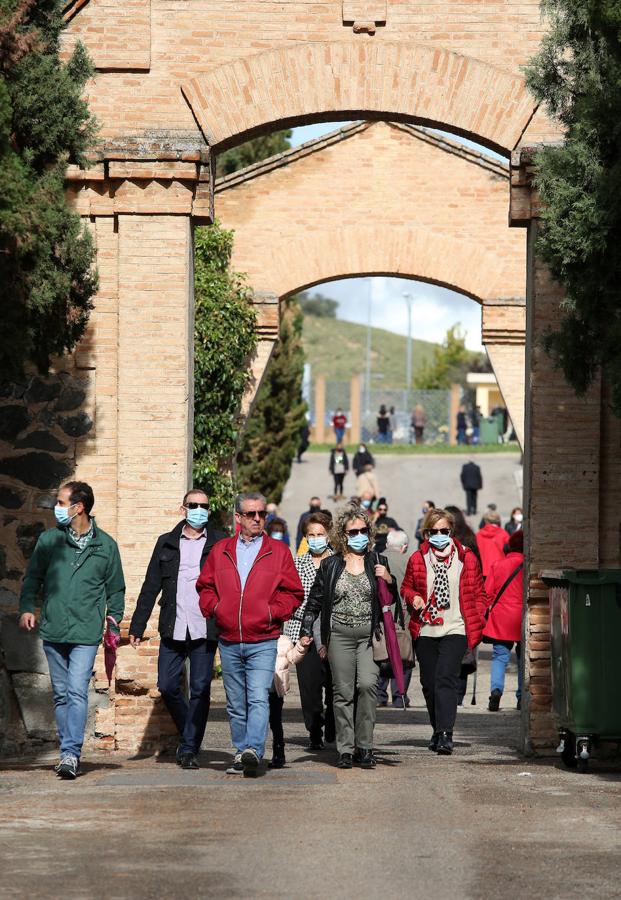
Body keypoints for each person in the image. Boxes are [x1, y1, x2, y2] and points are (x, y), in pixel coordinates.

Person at [18, 481, 125, 779]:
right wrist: (27, 606)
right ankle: (68, 749)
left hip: (86, 632)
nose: (57, 507)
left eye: (62, 502)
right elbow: (32, 579)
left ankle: (70, 754)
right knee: (62, 694)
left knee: (77, 691)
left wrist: (113, 619)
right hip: (53, 629)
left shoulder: (106, 546)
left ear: (79, 507)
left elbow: (116, 589)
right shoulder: (50, 541)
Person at [197, 492, 304, 776]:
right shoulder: (220, 551)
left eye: (261, 514)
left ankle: (254, 750)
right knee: (235, 703)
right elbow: (205, 587)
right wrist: (217, 609)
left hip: (263, 640)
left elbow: (294, 592)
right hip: (229, 639)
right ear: (238, 518)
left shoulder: (278, 552)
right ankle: (239, 751)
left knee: (257, 696)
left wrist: (271, 613)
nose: (257, 519)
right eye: (251, 514)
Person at [129, 489, 225, 769]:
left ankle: (189, 748)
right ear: (182, 509)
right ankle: (190, 734)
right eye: (193, 505)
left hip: (204, 627)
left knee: (200, 688)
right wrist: (137, 624)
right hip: (173, 626)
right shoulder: (167, 543)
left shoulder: (220, 542)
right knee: (168, 685)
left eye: (204, 506)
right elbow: (150, 585)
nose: (199, 510)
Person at [301, 504, 399, 769]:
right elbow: (314, 601)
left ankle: (365, 746)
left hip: (369, 636)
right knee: (342, 692)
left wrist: (389, 580)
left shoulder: (378, 562)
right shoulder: (331, 565)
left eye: (363, 530)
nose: (359, 535)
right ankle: (345, 748)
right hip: (339, 636)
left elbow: (394, 605)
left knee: (367, 686)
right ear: (343, 535)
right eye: (352, 531)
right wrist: (305, 632)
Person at [401, 507, 487, 755]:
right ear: (426, 532)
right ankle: (437, 729)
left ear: (451, 531)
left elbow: (480, 593)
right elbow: (406, 588)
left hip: (456, 627)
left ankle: (447, 734)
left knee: (445, 679)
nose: (439, 535)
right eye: (434, 531)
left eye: (444, 531)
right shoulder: (418, 559)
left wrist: (477, 619)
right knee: (428, 683)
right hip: (426, 629)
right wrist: (414, 597)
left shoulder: (466, 558)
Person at [281, 511, 335, 760]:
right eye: (311, 535)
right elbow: (290, 599)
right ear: (305, 537)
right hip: (303, 636)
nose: (316, 539)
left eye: (320, 534)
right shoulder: (297, 563)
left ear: (329, 535)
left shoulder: (340, 562)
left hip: (335, 634)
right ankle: (314, 729)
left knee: (336, 685)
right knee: (310, 687)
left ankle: (334, 725)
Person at [483, 530, 524, 712]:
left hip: (501, 617)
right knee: (525, 659)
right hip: (523, 616)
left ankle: (496, 690)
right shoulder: (528, 565)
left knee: (500, 657)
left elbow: (488, 593)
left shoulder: (498, 565)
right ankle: (522, 697)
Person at [377, 530, 413, 708]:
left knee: (381, 651)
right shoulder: (409, 562)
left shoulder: (376, 559)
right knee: (403, 652)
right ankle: (400, 696)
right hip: (403, 613)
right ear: (404, 547)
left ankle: (380, 695)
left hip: (381, 611)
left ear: (386, 545)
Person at [476, 512, 510, 580]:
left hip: (485, 569)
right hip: (501, 568)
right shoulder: (503, 533)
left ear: (485, 521)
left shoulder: (479, 534)